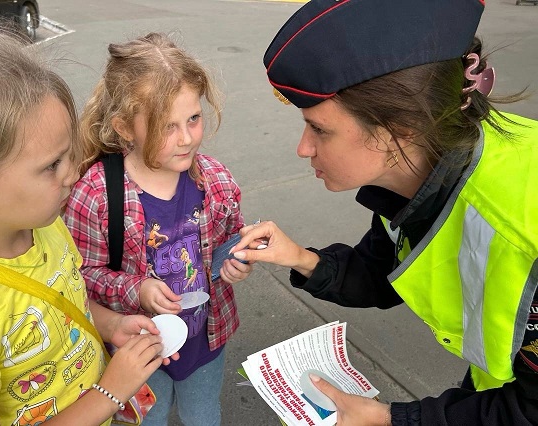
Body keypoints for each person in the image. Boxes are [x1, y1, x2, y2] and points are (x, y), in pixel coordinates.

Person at [231, 0, 538, 425]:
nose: (303, 148)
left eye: (319, 129)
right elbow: (387, 271)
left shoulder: (522, 234)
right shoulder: (424, 168)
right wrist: (300, 258)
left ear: (399, 132)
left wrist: (391, 418)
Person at [0, 20, 177, 426]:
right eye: (52, 165)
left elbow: (65, 304)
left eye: (69, 155)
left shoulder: (44, 225)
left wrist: (112, 323)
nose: (72, 175)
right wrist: (109, 393)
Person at [63, 32, 252, 426]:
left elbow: (231, 237)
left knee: (205, 416)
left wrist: (237, 258)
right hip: (139, 350)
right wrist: (138, 289)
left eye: (194, 119)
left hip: (205, 341)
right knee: (148, 420)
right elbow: (78, 278)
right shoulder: (96, 195)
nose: (186, 139)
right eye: (168, 126)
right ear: (125, 127)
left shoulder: (215, 180)